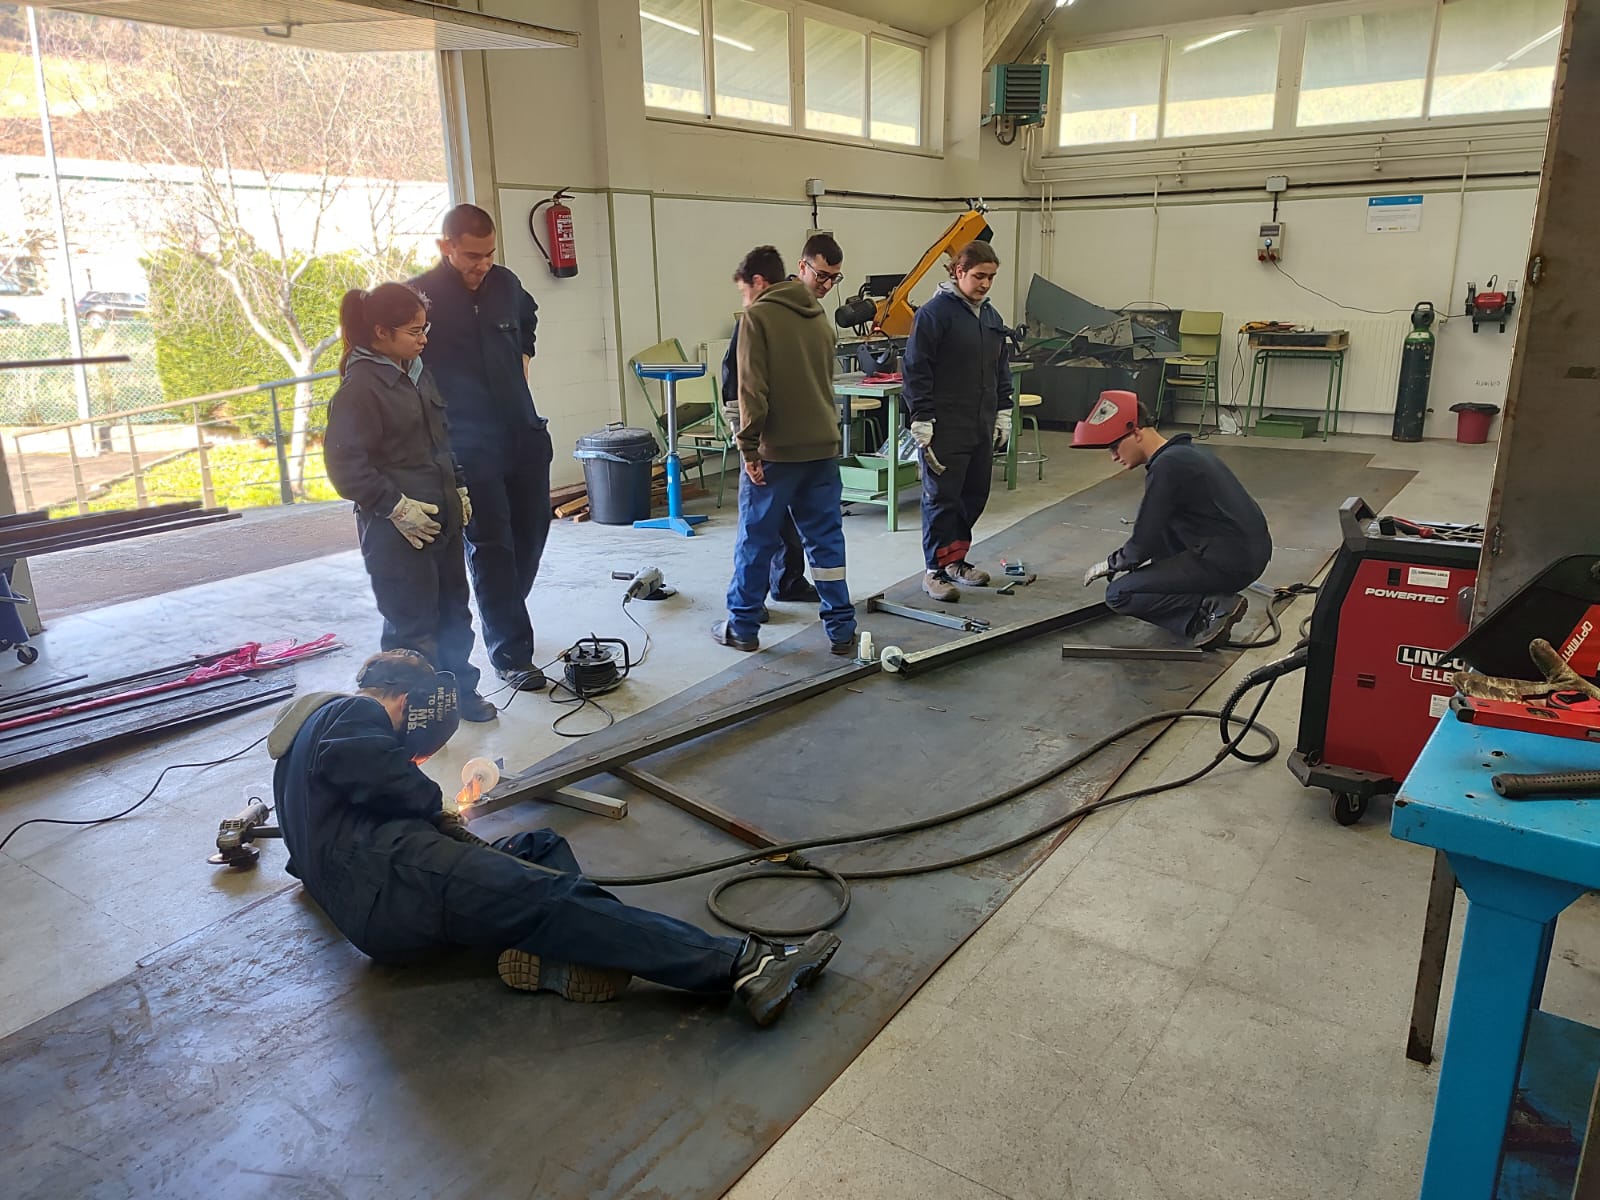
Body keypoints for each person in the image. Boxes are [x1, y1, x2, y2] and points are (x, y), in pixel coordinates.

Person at [270, 649, 842, 1026]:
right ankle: (744, 968)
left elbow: (304, 865)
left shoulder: (292, 763)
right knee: (549, 896)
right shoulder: (350, 714)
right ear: (400, 700)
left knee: (538, 850)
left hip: (385, 894)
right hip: (397, 880)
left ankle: (560, 956)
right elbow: (370, 771)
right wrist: (432, 806)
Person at [324, 283, 496, 723]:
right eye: (414, 330)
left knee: (455, 614)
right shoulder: (360, 388)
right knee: (411, 626)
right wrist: (394, 506)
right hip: (396, 531)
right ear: (381, 332)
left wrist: (457, 486)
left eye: (426, 328)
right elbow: (346, 467)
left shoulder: (417, 372)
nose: (423, 338)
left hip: (441, 518)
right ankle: (408, 714)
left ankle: (458, 693)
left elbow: (441, 439)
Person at [412, 204, 552, 694]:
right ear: (445, 247)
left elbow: (528, 317)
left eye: (489, 253)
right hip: (468, 444)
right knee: (492, 546)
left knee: (532, 533)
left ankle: (507, 609)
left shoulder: (506, 286)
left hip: (522, 432)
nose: (482, 264)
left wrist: (524, 355)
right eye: (472, 255)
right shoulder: (421, 296)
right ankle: (511, 653)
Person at [713, 245, 857, 656]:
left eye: (744, 291)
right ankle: (842, 631)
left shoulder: (757, 317)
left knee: (756, 540)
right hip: (823, 448)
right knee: (826, 542)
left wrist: (748, 448)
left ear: (759, 284)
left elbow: (751, 390)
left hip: (777, 454)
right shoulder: (819, 318)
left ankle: (742, 626)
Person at [1073, 390, 1272, 649]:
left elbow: (1143, 542)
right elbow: (1156, 530)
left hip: (1230, 562)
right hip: (1245, 553)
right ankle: (1207, 597)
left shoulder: (1167, 466)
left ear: (1136, 432)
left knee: (1119, 594)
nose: (1113, 456)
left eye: (1114, 447)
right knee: (1166, 531)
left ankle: (1211, 608)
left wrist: (1112, 564)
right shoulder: (1183, 454)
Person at [902, 240, 1014, 603]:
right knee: (941, 498)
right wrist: (921, 417)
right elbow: (916, 368)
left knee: (973, 494)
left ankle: (957, 561)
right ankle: (933, 570)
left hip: (979, 423)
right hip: (944, 426)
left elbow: (1001, 368)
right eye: (979, 276)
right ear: (959, 272)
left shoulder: (991, 318)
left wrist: (1003, 411)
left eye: (991, 277)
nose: (985, 284)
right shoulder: (934, 315)